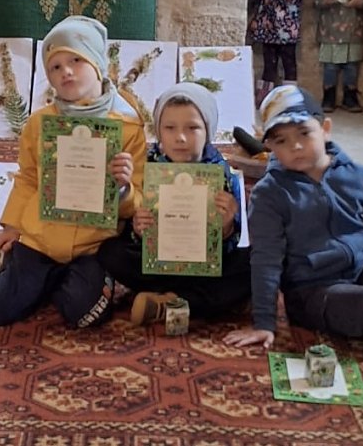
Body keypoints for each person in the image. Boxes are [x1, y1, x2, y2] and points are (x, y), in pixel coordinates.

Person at [224, 84, 363, 350]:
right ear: (269, 146)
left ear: (325, 129)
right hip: (313, 290)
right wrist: (264, 322)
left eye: (304, 133)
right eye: (281, 140)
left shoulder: (356, 176)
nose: (295, 146)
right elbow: (265, 260)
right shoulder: (268, 194)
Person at [0, 15, 146, 328]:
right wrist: (10, 226)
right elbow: (28, 178)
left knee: (87, 315)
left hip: (92, 246)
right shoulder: (39, 124)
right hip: (40, 240)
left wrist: (124, 188)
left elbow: (138, 202)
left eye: (76, 59)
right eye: (55, 67)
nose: (66, 72)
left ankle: (46, 285)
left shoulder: (128, 128)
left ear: (98, 65)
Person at [98, 82, 251, 326]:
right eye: (170, 128)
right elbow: (131, 223)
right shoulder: (148, 166)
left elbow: (232, 242)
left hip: (205, 267)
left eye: (193, 128)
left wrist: (226, 227)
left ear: (208, 132)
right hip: (159, 264)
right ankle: (199, 301)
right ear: (159, 132)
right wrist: (138, 228)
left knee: (254, 263)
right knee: (110, 252)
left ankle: (166, 302)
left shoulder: (221, 174)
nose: (180, 137)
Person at [247, 0, 302, 107]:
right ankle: (265, 98)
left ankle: (289, 99)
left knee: (288, 63)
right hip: (268, 26)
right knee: (269, 63)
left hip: (285, 27)